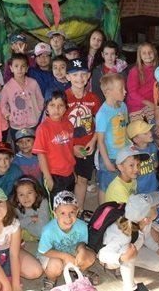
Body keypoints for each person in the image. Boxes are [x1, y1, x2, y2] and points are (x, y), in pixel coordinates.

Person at [98, 193, 159, 291]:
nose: (156, 206)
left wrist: (158, 249)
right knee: (127, 250)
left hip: (133, 249)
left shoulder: (141, 220)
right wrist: (122, 258)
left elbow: (147, 236)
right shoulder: (122, 233)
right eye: (154, 206)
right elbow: (103, 255)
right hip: (112, 259)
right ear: (146, 219)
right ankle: (130, 287)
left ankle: (126, 265)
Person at [37, 191, 98, 290]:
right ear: (55, 214)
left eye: (72, 212)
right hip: (52, 254)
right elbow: (44, 251)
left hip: (71, 252)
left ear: (77, 211)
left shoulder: (82, 225)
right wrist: (65, 256)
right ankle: (51, 279)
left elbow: (81, 242)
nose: (68, 217)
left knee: (90, 256)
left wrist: (82, 249)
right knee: (55, 266)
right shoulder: (48, 230)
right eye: (62, 213)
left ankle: (79, 271)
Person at [64, 58, 101, 207]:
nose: (79, 78)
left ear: (88, 76)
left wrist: (93, 142)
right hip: (67, 145)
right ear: (68, 77)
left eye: (83, 74)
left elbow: (100, 123)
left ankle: (77, 210)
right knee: (68, 179)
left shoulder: (93, 98)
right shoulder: (63, 97)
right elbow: (58, 126)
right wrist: (71, 146)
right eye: (75, 75)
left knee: (83, 179)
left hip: (87, 146)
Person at [33, 91, 77, 203]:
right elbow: (41, 155)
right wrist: (48, 178)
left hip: (68, 173)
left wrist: (73, 171)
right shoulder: (43, 129)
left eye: (60, 105)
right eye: (52, 105)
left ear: (66, 107)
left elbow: (69, 151)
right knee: (56, 207)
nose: (56, 109)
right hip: (54, 174)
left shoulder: (68, 124)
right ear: (46, 108)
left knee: (68, 203)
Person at [95, 73, 131, 204]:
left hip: (123, 153)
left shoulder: (123, 106)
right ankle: (103, 212)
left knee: (121, 183)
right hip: (109, 156)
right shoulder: (103, 114)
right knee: (106, 186)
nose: (125, 91)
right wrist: (107, 162)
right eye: (121, 89)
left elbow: (125, 128)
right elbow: (100, 141)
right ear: (108, 92)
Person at [0, 53, 44, 143]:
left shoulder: (33, 83)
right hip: (16, 126)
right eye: (16, 66)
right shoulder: (7, 87)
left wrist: (38, 111)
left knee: (34, 147)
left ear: (27, 68)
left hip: (33, 124)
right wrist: (8, 115)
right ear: (11, 68)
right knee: (19, 148)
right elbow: (2, 104)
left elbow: (40, 99)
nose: (19, 69)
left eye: (23, 66)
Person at [126, 42, 159, 124]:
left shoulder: (158, 70)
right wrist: (149, 103)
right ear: (140, 56)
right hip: (136, 106)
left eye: (150, 52)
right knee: (143, 131)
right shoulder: (135, 71)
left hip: (152, 104)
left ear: (154, 53)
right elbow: (132, 93)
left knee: (157, 129)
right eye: (144, 53)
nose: (147, 55)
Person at [11, 175, 50, 242]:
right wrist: (31, 218)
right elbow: (14, 226)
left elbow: (41, 231)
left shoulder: (43, 202)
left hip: (47, 235)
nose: (26, 197)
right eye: (21, 195)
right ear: (17, 197)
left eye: (29, 193)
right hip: (30, 237)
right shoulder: (17, 206)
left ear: (36, 193)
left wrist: (24, 223)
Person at [127, 120, 159, 194]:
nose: (150, 133)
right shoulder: (132, 153)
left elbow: (156, 162)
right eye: (145, 133)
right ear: (136, 139)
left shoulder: (153, 147)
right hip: (140, 189)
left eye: (149, 130)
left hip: (155, 185)